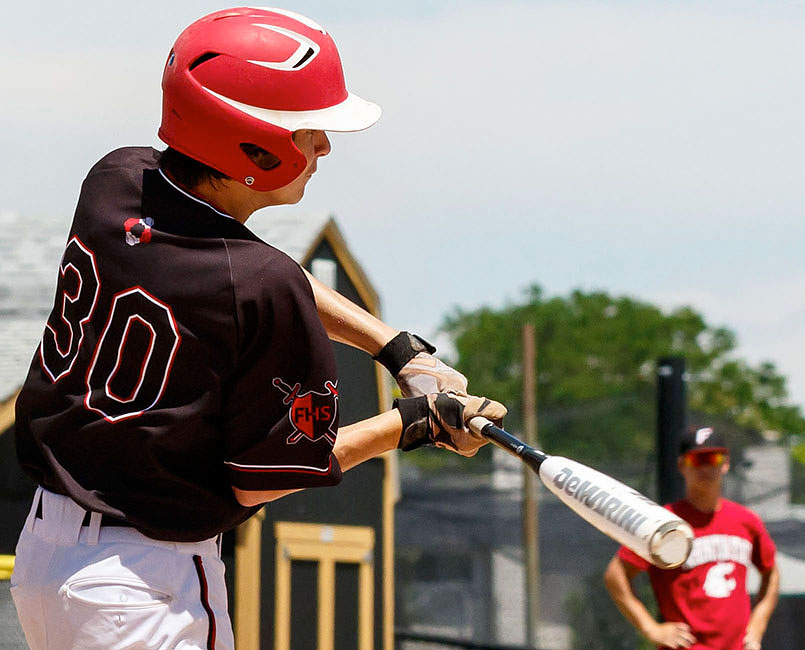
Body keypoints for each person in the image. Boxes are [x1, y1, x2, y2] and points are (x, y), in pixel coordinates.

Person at [11, 8, 506, 650]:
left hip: (47, 559)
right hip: (145, 582)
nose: (323, 146)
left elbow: (257, 274)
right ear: (253, 143)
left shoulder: (117, 178)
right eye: (308, 131)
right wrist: (415, 423)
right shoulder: (258, 283)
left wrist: (397, 347)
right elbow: (263, 477)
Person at [604, 427, 780, 650]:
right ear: (682, 466)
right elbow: (615, 574)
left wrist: (758, 623)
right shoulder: (662, 522)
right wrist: (651, 628)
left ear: (725, 463)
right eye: (697, 460)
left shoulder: (746, 521)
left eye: (712, 458)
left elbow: (771, 572)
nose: (706, 467)